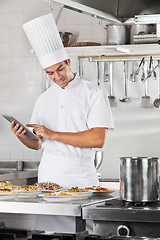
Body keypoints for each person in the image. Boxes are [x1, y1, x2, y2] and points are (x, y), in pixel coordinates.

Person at [11, 13, 114, 233]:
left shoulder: (93, 93)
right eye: (50, 73)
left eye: (60, 69)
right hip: (49, 183)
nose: (57, 76)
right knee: (49, 236)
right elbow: (39, 144)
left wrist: (53, 134)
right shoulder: (43, 99)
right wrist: (23, 136)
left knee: (83, 234)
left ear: (68, 62)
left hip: (81, 185)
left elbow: (97, 139)